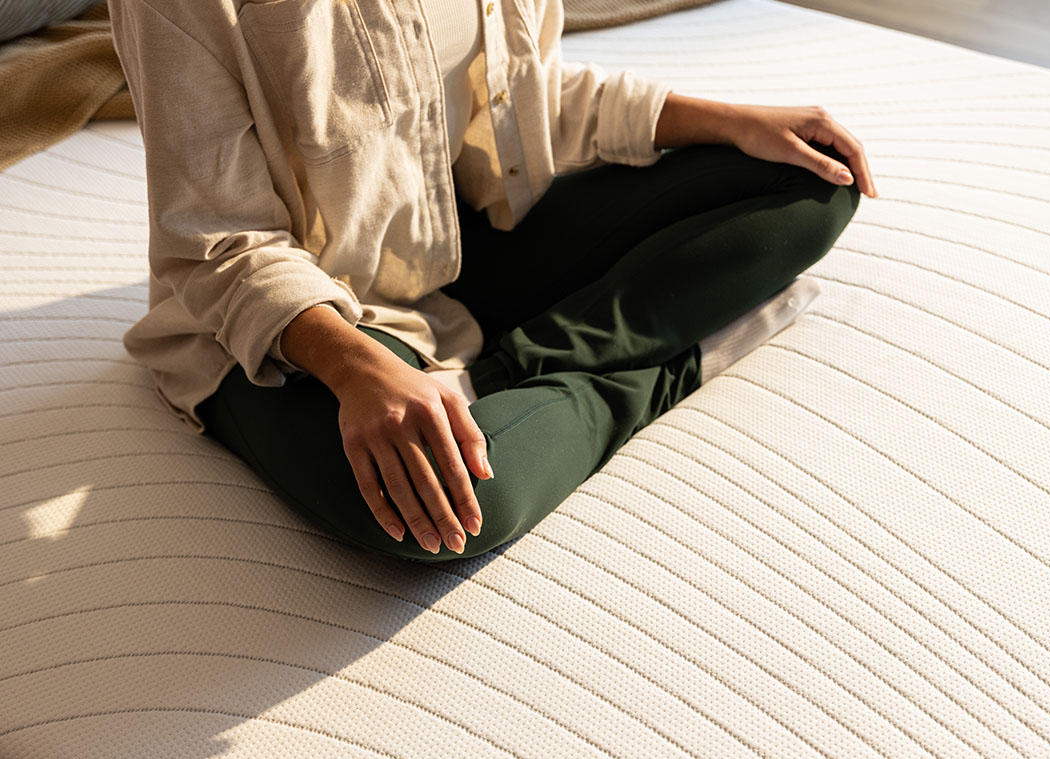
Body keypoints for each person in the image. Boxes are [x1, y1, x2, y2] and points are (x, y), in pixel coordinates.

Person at [108, 0, 877, 562]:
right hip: (294, 325)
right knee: (454, 507)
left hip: (457, 240)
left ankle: (515, 367)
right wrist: (357, 368)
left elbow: (518, 99)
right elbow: (217, 240)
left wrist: (727, 119)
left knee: (809, 179)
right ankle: (667, 369)